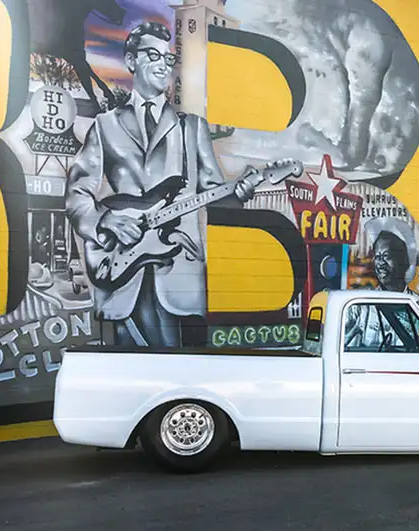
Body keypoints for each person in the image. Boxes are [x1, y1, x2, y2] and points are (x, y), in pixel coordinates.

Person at [65, 21, 271, 347]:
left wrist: (239, 193)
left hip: (177, 270)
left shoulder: (192, 128)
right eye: (153, 55)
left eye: (168, 58)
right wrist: (106, 220)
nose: (163, 64)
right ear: (131, 61)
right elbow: (77, 194)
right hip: (119, 270)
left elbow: (215, 193)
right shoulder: (105, 126)